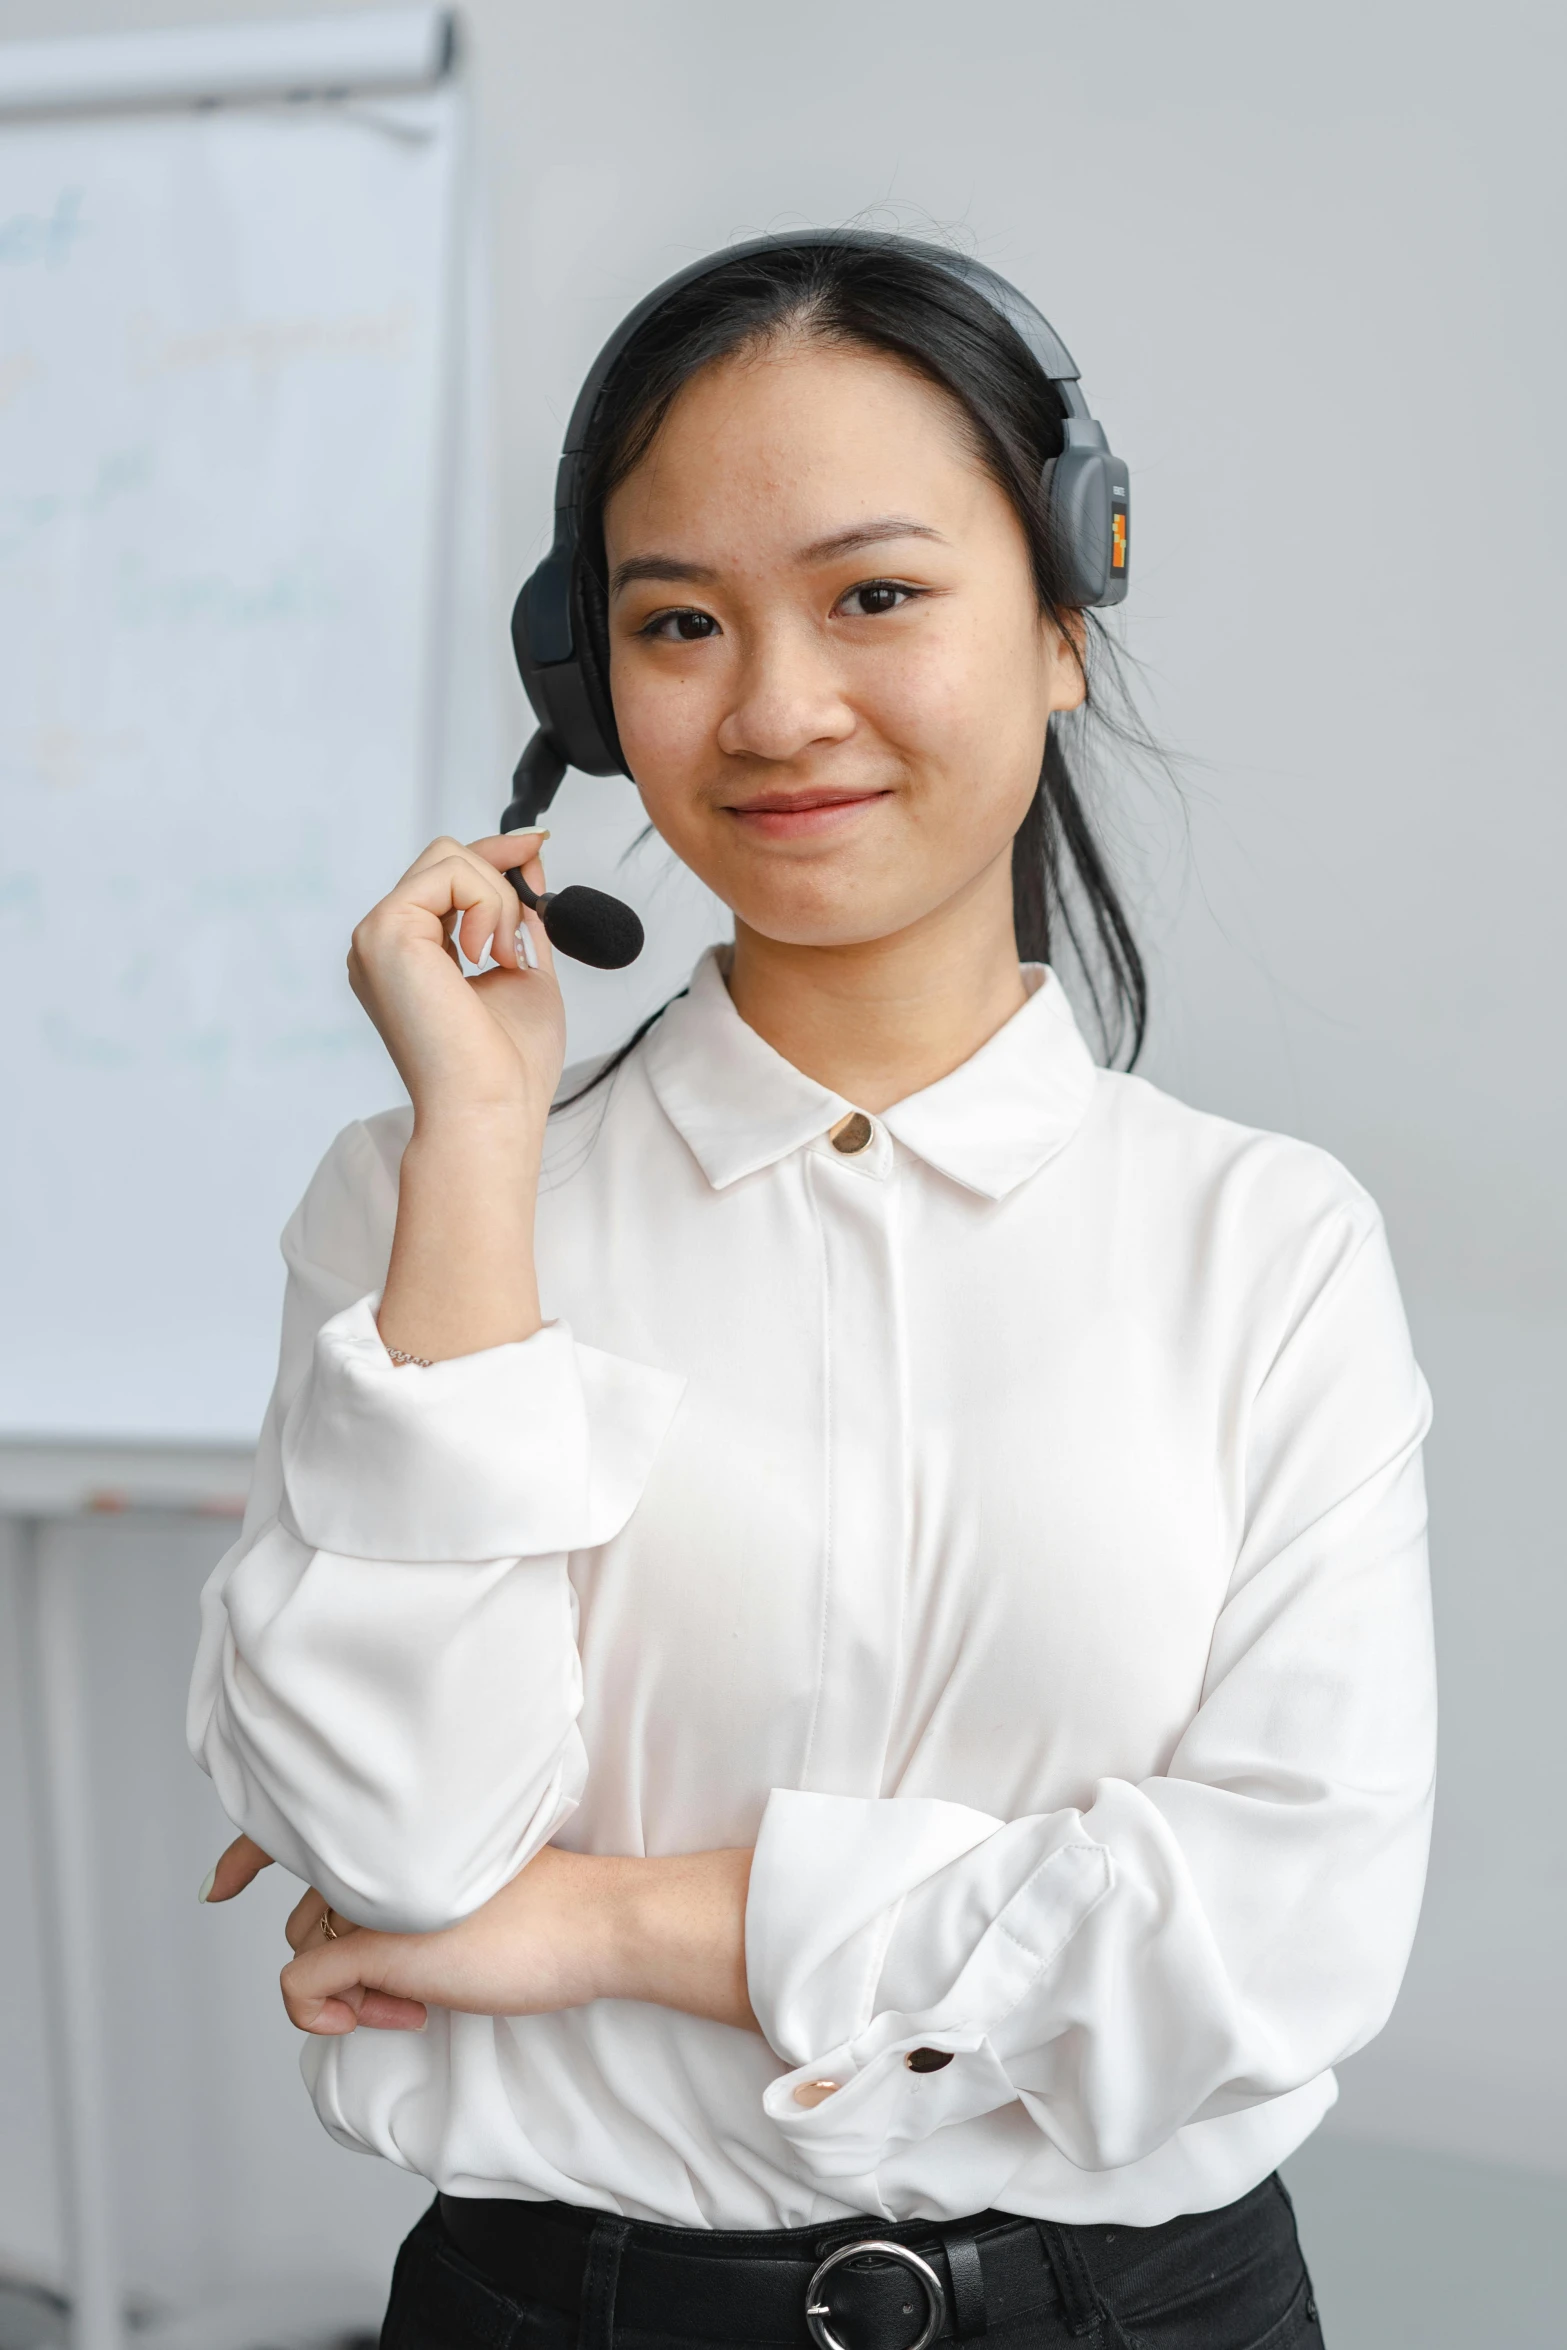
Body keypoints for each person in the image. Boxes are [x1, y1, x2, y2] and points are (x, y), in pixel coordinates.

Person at [188, 235, 1435, 2350]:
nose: (773, 708)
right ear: (586, 686)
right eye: (678, 621)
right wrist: (484, 1159)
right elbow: (394, 1837)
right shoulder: (423, 1203)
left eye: (874, 595)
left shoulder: (1270, 1245)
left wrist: (605, 1921)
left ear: (1059, 614)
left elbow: (1272, 1941)